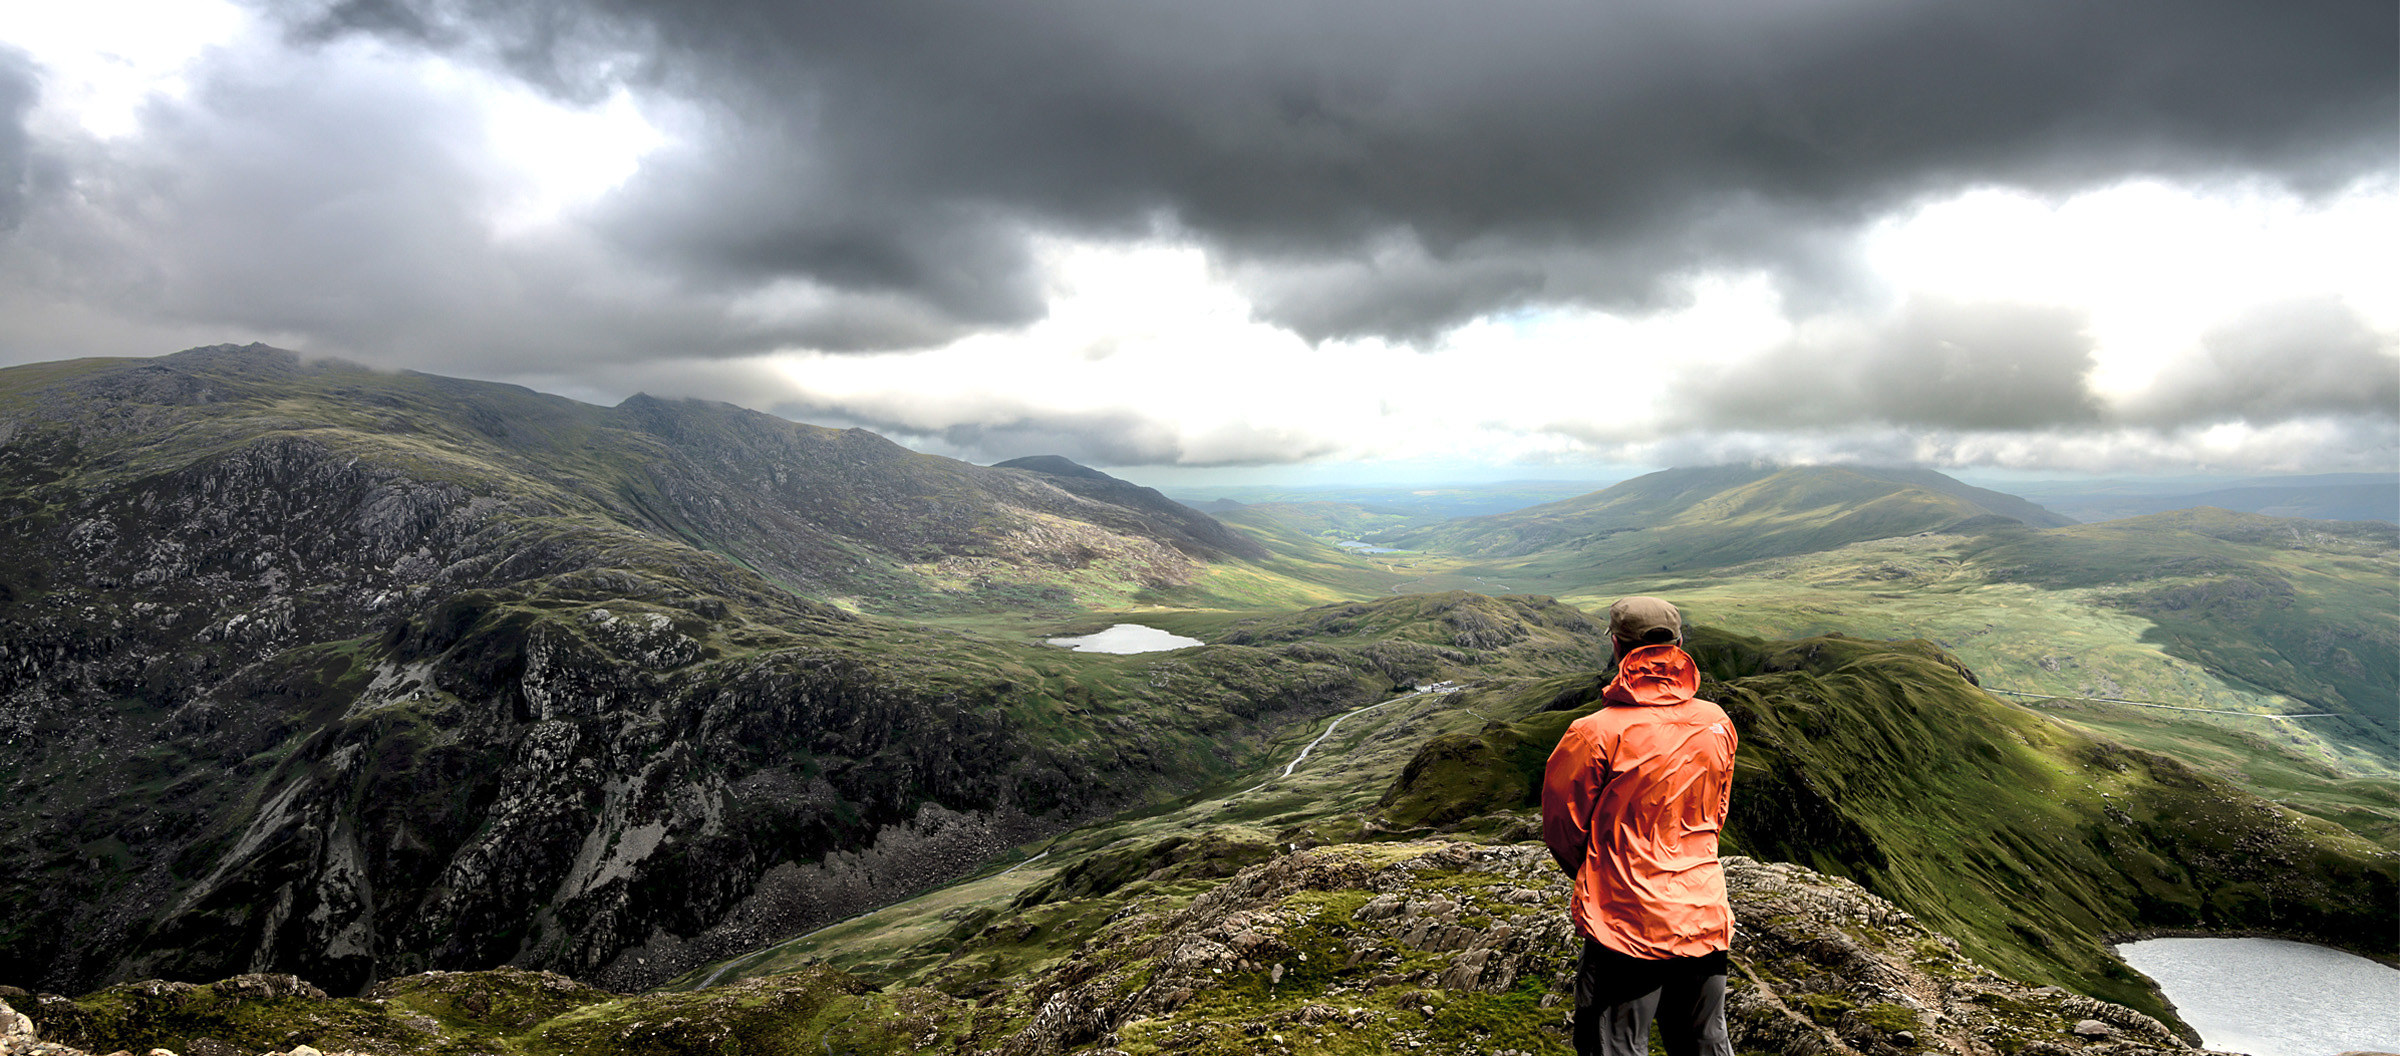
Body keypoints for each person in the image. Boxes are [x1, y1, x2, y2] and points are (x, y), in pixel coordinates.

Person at [1541, 596, 1738, 1056]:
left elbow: (1563, 830)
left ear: (1616, 646)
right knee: (1705, 1042)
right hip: (1702, 913)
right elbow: (1714, 814)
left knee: (1615, 1045)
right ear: (1680, 644)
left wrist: (1607, 872)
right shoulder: (1717, 723)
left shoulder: (1593, 733)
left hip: (1625, 924)